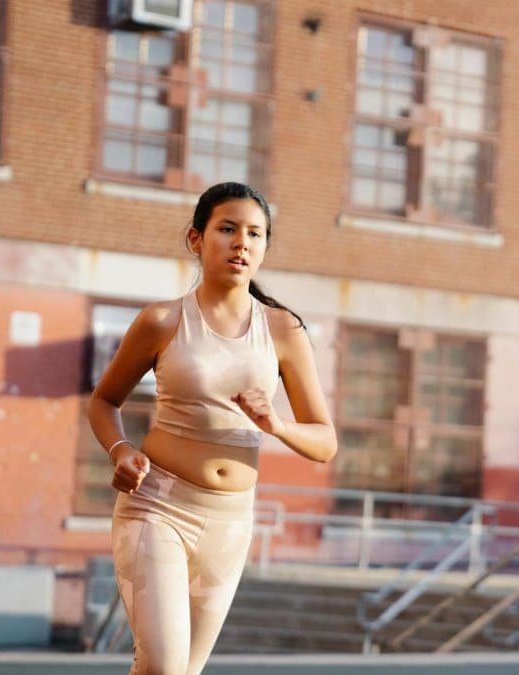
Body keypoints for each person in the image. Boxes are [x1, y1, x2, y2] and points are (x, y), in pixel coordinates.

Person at [89, 182, 338, 674]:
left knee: (182, 673)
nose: (242, 243)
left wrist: (276, 425)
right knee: (162, 665)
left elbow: (325, 442)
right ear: (196, 240)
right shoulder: (161, 320)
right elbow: (103, 401)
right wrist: (120, 450)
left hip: (230, 522)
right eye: (227, 229)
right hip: (157, 506)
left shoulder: (284, 330)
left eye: (255, 234)